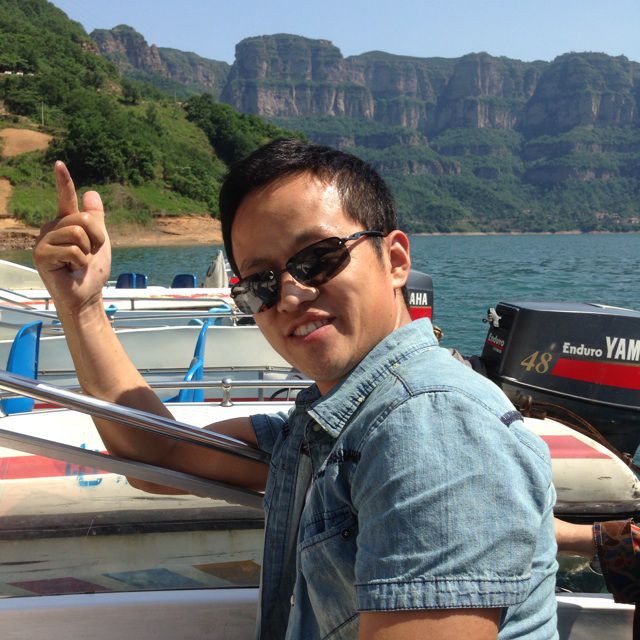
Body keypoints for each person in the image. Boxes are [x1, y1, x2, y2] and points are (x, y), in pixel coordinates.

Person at [34, 140, 558, 639]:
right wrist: (81, 305)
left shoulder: (430, 426)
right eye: (260, 282)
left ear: (396, 261)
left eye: (317, 258)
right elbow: (161, 455)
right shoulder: (334, 425)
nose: (290, 294)